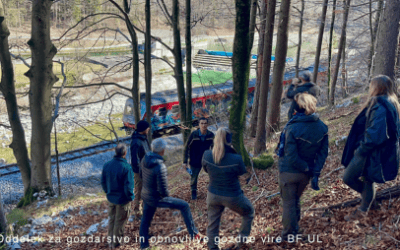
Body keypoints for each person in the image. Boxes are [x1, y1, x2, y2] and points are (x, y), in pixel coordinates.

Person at [342, 75, 400, 220]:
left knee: (348, 177)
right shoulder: (391, 102)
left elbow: (375, 134)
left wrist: (361, 149)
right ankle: (369, 204)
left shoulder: (380, 105)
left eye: (372, 85)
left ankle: (364, 207)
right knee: (368, 179)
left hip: (371, 151)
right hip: (377, 150)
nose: (370, 88)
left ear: (377, 87)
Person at [276, 93, 328, 241]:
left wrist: (305, 168)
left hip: (289, 172)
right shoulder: (322, 127)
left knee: (288, 204)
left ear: (299, 107)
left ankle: (288, 235)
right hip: (306, 175)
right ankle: (295, 230)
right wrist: (314, 172)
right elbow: (323, 154)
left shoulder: (292, 128)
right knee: (294, 201)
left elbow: (291, 156)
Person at [139, 138, 202, 249]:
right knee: (184, 205)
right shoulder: (160, 166)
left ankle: (143, 245)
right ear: (162, 150)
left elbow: (141, 174)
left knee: (145, 220)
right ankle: (194, 234)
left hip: (146, 195)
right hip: (156, 198)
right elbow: (164, 192)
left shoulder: (145, 158)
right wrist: (167, 198)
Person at [202, 128, 253, 250]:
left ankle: (212, 247)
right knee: (249, 212)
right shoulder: (236, 158)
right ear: (229, 140)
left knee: (212, 224)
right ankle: (240, 245)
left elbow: (205, 169)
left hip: (212, 195)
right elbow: (243, 174)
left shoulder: (206, 155)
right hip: (232, 196)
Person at [101, 144, 134, 249]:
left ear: (116, 152)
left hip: (111, 198)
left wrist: (107, 192)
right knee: (119, 222)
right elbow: (128, 187)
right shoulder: (126, 167)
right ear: (125, 153)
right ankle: (115, 244)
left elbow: (103, 182)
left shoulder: (107, 165)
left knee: (112, 219)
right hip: (123, 200)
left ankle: (110, 242)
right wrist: (131, 198)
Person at [183, 117, 215, 200]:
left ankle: (214, 191)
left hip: (207, 159)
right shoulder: (194, 135)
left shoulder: (211, 135)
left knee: (213, 174)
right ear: (199, 125)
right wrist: (185, 161)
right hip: (195, 159)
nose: (203, 125)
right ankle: (194, 193)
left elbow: (215, 148)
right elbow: (186, 148)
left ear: (207, 125)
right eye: (202, 123)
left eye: (205, 123)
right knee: (194, 178)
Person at [130, 120, 151, 218]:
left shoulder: (144, 138)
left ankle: (146, 208)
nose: (149, 129)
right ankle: (137, 212)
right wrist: (140, 172)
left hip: (146, 169)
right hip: (139, 171)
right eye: (147, 127)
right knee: (139, 190)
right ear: (143, 129)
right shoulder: (136, 142)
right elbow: (135, 160)